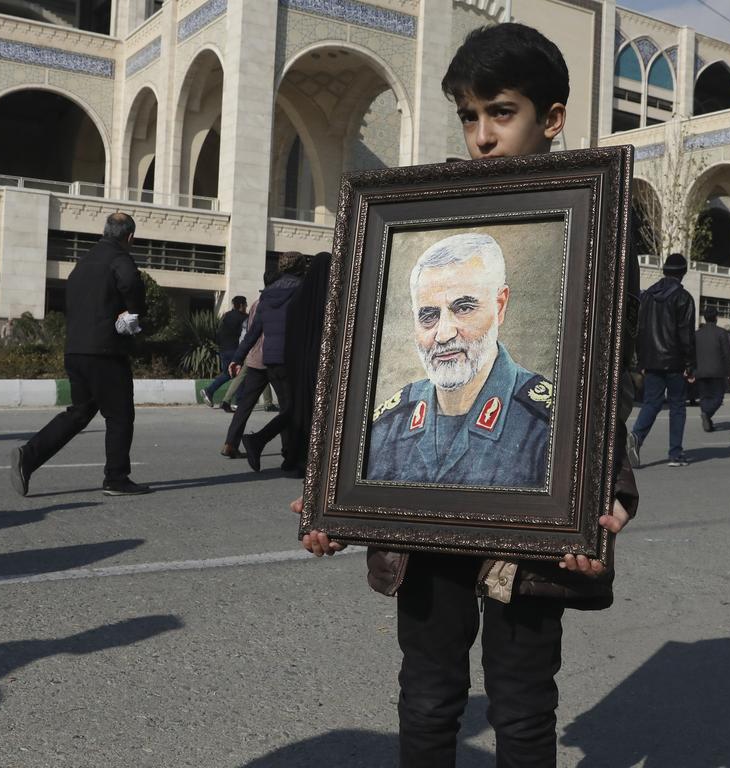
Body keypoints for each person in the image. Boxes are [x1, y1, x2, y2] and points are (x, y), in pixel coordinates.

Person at [298, 24, 639, 767]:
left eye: (502, 113)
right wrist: (329, 493)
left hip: (534, 536)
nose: (483, 136)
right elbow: (347, 367)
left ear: (551, 118)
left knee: (519, 706)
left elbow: (611, 376)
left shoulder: (598, 224)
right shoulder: (415, 209)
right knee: (426, 694)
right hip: (424, 544)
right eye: (469, 115)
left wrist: (605, 496)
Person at [368, 233, 552, 486]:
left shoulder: (547, 426)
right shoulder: (388, 425)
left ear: (499, 306)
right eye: (428, 315)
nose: (443, 334)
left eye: (463, 308)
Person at [10, 212, 150, 496]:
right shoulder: (119, 257)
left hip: (75, 350)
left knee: (79, 413)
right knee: (120, 414)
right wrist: (133, 312)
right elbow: (130, 283)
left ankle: (30, 455)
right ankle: (116, 478)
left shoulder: (83, 262)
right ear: (130, 237)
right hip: (105, 351)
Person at [230, 251, 304, 471]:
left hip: (271, 360)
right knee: (294, 409)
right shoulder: (302, 290)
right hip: (294, 360)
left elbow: (253, 332)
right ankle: (262, 442)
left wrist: (237, 358)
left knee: (289, 408)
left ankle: (290, 455)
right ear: (300, 267)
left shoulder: (267, 295)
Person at [628, 252, 696, 467]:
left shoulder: (648, 295)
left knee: (651, 403)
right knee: (677, 406)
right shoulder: (683, 298)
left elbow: (639, 328)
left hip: (651, 361)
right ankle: (675, 454)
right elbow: (686, 334)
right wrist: (690, 364)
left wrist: (641, 361)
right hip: (674, 361)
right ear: (683, 273)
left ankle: (636, 436)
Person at [284, 251, 331, 477]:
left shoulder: (296, 301)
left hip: (296, 366)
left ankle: (295, 456)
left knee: (299, 410)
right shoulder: (331, 303)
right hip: (320, 366)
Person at [220, 295, 271, 458]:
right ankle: (289, 451)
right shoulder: (286, 300)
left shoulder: (255, 305)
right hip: (274, 359)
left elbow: (248, 333)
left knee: (244, 405)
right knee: (289, 406)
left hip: (252, 357)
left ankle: (230, 443)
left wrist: (239, 356)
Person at [200, 295, 248, 407]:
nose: (246, 306)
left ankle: (209, 391)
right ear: (241, 305)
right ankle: (238, 402)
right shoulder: (243, 317)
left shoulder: (226, 316)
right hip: (234, 349)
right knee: (240, 374)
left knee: (228, 373)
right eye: (245, 304)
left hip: (223, 349)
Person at [693, 306, 730, 433]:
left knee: (704, 397)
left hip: (700, 370)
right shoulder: (721, 333)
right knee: (718, 398)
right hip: (717, 371)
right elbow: (726, 354)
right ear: (716, 317)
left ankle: (707, 419)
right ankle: (707, 414)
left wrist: (691, 369)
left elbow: (691, 353)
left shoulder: (697, 334)